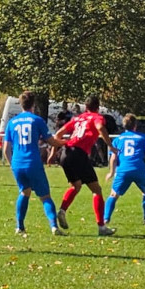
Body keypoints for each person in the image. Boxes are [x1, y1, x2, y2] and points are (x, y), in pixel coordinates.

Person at [3, 90, 64, 236]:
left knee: (24, 192)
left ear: (21, 104)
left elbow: (6, 148)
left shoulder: (12, 122)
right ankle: (54, 226)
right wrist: (67, 142)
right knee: (45, 196)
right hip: (33, 162)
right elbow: (51, 141)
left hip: (18, 164)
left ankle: (20, 226)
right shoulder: (37, 120)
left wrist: (12, 165)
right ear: (34, 104)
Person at [52, 95, 115, 237]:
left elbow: (58, 134)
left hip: (65, 153)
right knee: (96, 190)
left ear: (85, 107)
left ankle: (62, 211)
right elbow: (100, 127)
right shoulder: (97, 117)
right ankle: (101, 227)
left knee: (76, 185)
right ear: (97, 107)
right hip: (78, 154)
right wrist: (110, 145)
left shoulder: (78, 118)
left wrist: (57, 149)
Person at [103, 114, 145, 226]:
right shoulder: (143, 137)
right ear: (135, 125)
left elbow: (113, 157)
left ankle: (106, 219)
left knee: (113, 194)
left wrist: (111, 172)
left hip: (123, 170)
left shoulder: (118, 139)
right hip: (139, 169)